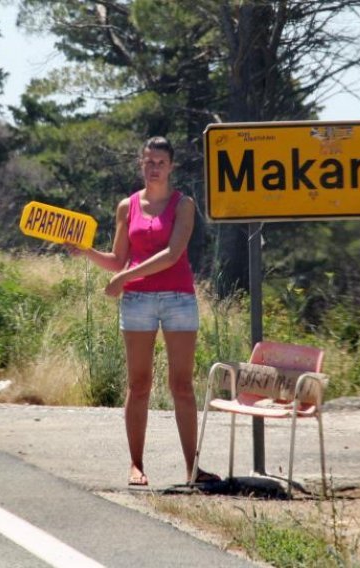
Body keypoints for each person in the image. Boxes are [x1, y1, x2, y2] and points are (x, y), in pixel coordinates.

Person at [69, 136, 219, 487]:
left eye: (160, 162)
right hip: (137, 301)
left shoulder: (184, 206)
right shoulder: (127, 206)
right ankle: (136, 465)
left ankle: (192, 469)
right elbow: (118, 259)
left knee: (181, 385)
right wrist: (86, 251)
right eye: (148, 161)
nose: (154, 168)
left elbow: (171, 254)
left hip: (178, 299)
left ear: (172, 166)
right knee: (139, 385)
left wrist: (124, 277)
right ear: (141, 163)